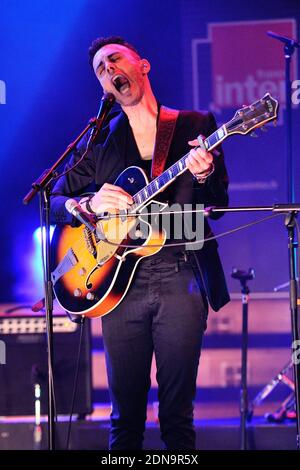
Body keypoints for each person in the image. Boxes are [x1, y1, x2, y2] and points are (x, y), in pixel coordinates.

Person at [51, 36, 230, 450]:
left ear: (142, 66)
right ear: (103, 88)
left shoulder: (194, 125)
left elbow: (219, 204)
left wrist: (203, 175)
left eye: (114, 59)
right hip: (118, 284)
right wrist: (85, 203)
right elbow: (54, 198)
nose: (108, 69)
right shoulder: (102, 141)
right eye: (99, 68)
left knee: (176, 418)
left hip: (181, 275)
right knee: (125, 420)